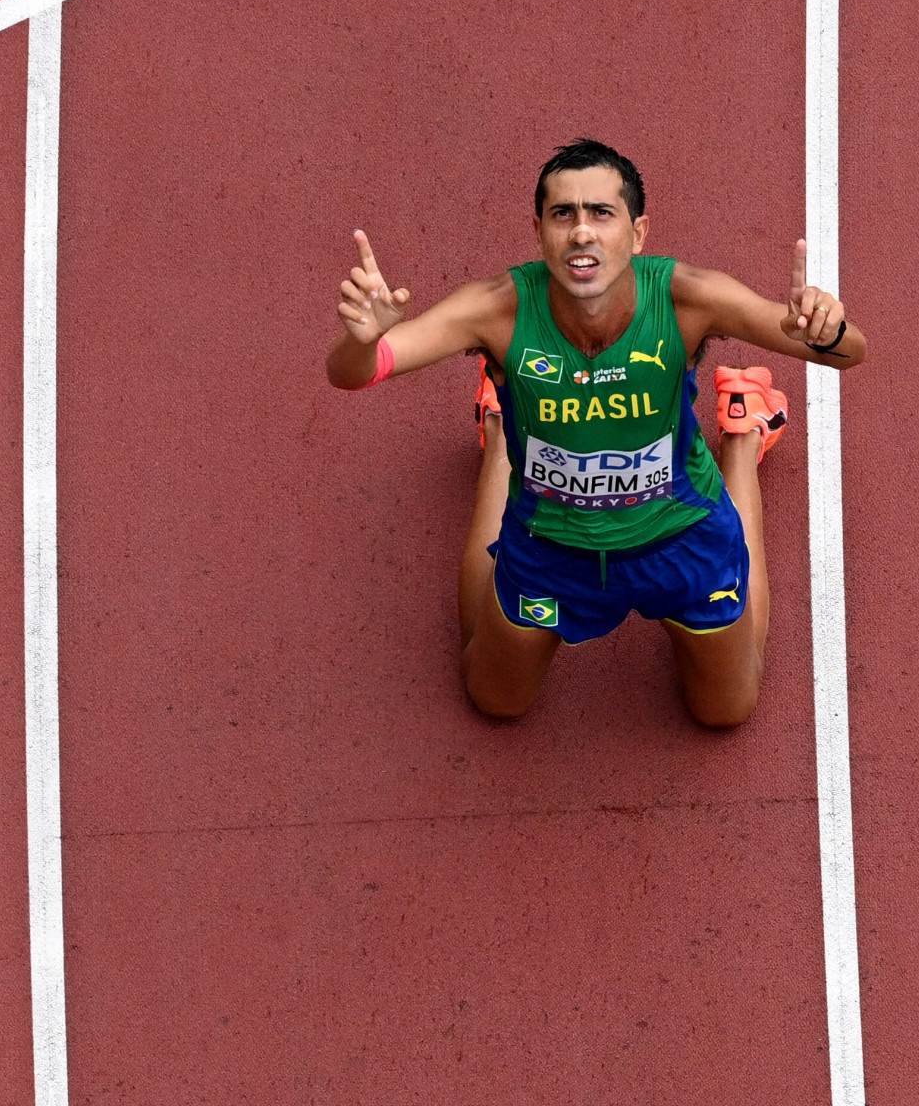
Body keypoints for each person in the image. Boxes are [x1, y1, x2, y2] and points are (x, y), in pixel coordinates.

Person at [327, 139, 866, 726]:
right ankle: (502, 421)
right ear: (540, 232)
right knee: (493, 698)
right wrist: (360, 342)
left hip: (679, 537)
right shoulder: (495, 309)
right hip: (552, 547)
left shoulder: (686, 296)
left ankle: (741, 438)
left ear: (636, 234)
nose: (581, 231)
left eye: (601, 213)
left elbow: (847, 354)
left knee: (727, 711)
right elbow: (357, 373)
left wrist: (826, 328)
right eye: (564, 214)